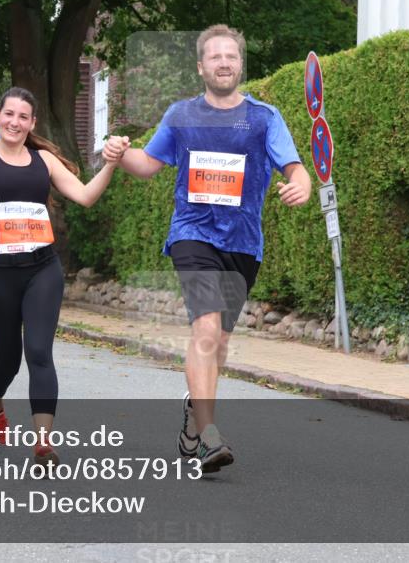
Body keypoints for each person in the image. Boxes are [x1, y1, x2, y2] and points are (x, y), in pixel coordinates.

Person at [103, 24, 311, 473]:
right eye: (214, 57)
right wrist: (121, 153)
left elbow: (295, 169)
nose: (223, 63)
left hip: (243, 245)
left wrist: (302, 186)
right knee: (206, 330)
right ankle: (211, 438)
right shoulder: (181, 115)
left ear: (240, 65)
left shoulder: (263, 117)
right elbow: (147, 165)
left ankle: (193, 417)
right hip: (192, 234)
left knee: (219, 346)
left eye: (230, 56)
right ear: (201, 67)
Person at [0, 86, 119, 468]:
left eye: (23, 117)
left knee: (39, 353)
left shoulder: (44, 162)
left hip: (42, 271)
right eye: (9, 115)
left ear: (32, 122)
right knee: (8, 360)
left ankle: (43, 443)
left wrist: (110, 163)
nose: (15, 122)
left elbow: (86, 196)